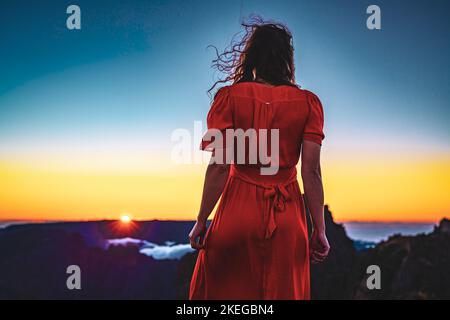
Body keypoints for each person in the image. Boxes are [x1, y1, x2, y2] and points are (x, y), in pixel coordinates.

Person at [189, 17, 330, 300]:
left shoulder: (229, 98)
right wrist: (319, 230)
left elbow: (219, 166)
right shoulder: (308, 103)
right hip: (288, 216)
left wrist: (201, 220)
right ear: (287, 59)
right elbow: (310, 172)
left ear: (251, 55)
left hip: (236, 214)